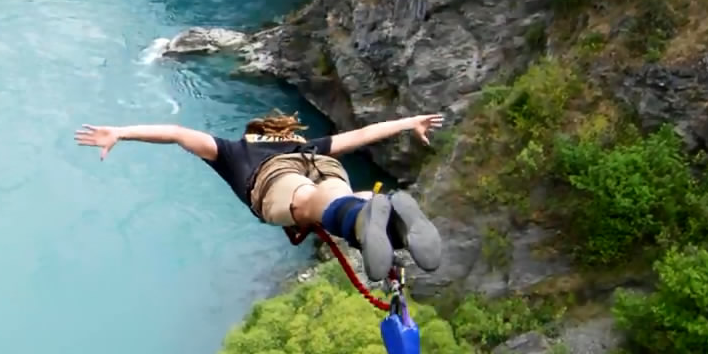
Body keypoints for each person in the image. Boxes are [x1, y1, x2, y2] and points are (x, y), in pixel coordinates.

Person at [74, 109, 445, 283]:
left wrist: (121, 132)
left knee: (308, 203)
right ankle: (384, 214)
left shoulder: (234, 150)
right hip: (319, 164)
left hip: (273, 180)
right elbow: (364, 134)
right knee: (337, 193)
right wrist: (410, 122)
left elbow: (176, 133)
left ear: (252, 133)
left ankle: (366, 219)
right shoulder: (308, 144)